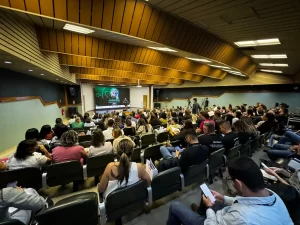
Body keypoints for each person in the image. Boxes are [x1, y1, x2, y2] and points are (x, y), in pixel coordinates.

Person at [167, 157, 293, 225]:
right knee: (208, 192)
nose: (230, 181)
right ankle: (201, 214)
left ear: (238, 183)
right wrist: (223, 198)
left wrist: (210, 208)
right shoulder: (272, 195)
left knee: (175, 206)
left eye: (229, 179)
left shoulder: (241, 217)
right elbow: (249, 202)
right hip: (226, 216)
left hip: (214, 222)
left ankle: (202, 217)